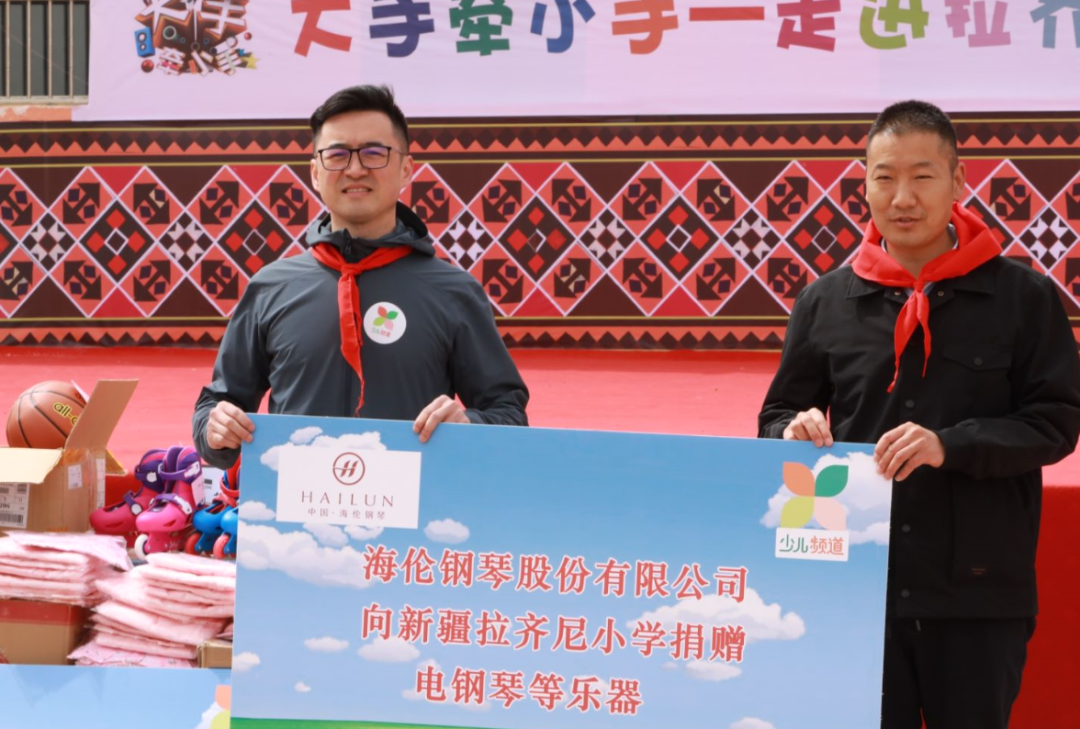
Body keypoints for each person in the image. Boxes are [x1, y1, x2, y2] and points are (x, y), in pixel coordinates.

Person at [758, 100, 1080, 728]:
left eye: (922, 176)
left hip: (977, 591)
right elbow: (776, 414)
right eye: (884, 177)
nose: (902, 197)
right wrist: (791, 429)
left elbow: (1055, 422)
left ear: (958, 181)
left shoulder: (1023, 298)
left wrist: (950, 445)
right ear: (865, 184)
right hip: (853, 590)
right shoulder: (825, 302)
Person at [193, 85, 528, 469]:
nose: (355, 169)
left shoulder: (453, 292)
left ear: (406, 168)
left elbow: (508, 414)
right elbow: (217, 405)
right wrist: (217, 430)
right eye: (337, 155)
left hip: (415, 504)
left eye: (373, 153)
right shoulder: (272, 287)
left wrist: (469, 425)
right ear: (315, 173)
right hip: (295, 505)